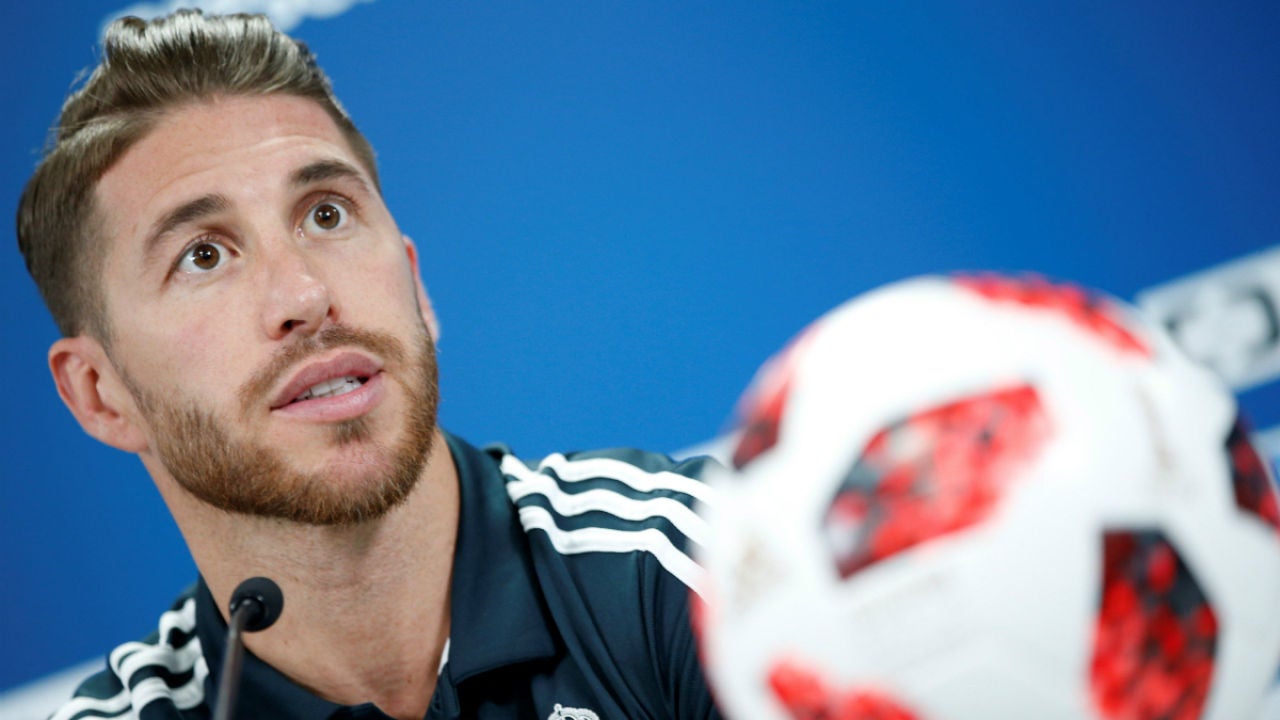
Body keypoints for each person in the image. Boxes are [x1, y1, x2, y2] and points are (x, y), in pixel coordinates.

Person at [17, 9, 720, 720]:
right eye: (203, 256)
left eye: (326, 214)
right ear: (100, 394)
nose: (304, 295)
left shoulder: (692, 560)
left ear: (415, 283)